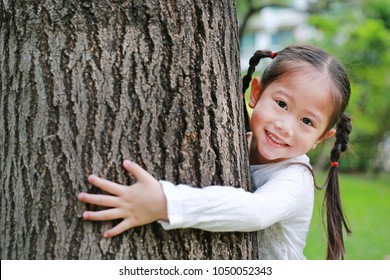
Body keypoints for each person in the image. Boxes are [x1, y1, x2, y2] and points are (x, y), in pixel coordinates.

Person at [77, 44, 352, 260]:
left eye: (307, 122)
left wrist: (165, 203)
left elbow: (256, 212)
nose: (285, 126)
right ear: (256, 92)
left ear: (321, 137)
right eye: (281, 103)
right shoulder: (235, 141)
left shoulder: (296, 178)